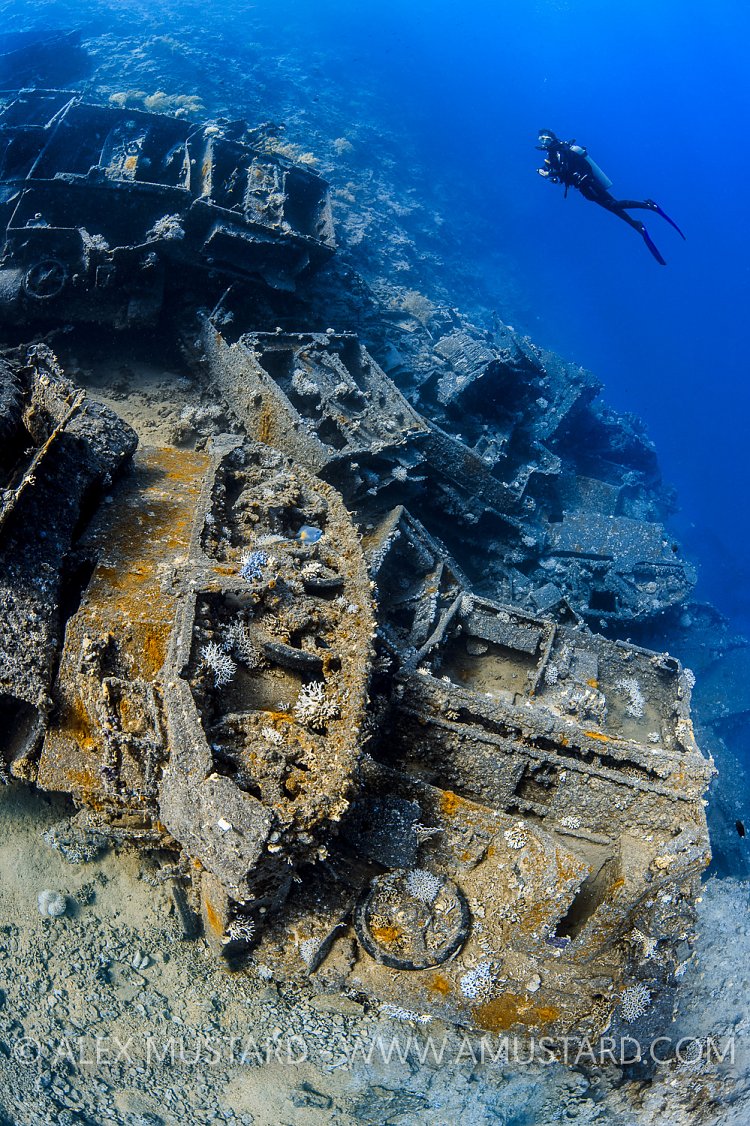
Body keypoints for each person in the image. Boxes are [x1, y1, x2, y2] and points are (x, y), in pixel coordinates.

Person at [536, 129, 685, 265]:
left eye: (546, 139)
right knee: (612, 206)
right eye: (541, 139)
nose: (543, 142)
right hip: (587, 185)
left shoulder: (558, 151)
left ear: (552, 139)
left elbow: (564, 170)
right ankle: (636, 225)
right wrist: (552, 175)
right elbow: (563, 173)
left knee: (613, 205)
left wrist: (549, 173)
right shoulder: (556, 152)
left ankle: (648, 206)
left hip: (588, 185)